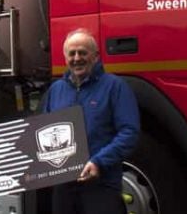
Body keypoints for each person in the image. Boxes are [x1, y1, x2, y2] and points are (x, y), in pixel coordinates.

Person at [42, 28, 140, 214]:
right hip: (64, 187)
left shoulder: (115, 87)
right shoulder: (56, 90)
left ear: (95, 56)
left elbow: (129, 132)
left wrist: (98, 162)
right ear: (65, 58)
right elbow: (39, 132)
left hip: (101, 184)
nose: (77, 58)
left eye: (82, 52)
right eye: (72, 53)